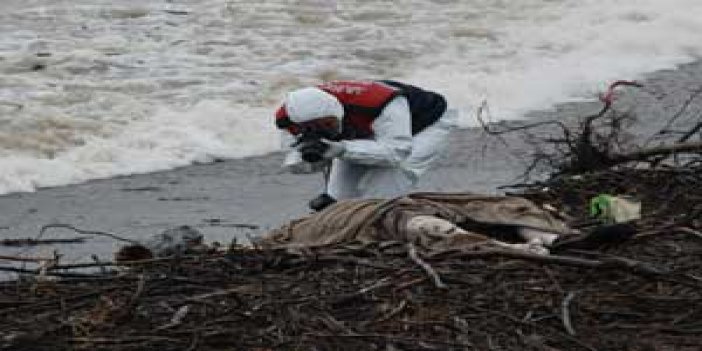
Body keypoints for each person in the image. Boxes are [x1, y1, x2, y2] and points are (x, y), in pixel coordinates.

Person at [275, 80, 456, 211]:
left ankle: (378, 226)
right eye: (313, 128)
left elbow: (397, 152)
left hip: (426, 122)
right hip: (365, 127)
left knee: (386, 184)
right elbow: (298, 165)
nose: (325, 130)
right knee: (338, 200)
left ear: (338, 110)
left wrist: (343, 149)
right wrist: (311, 153)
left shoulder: (376, 103)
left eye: (329, 124)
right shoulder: (287, 119)